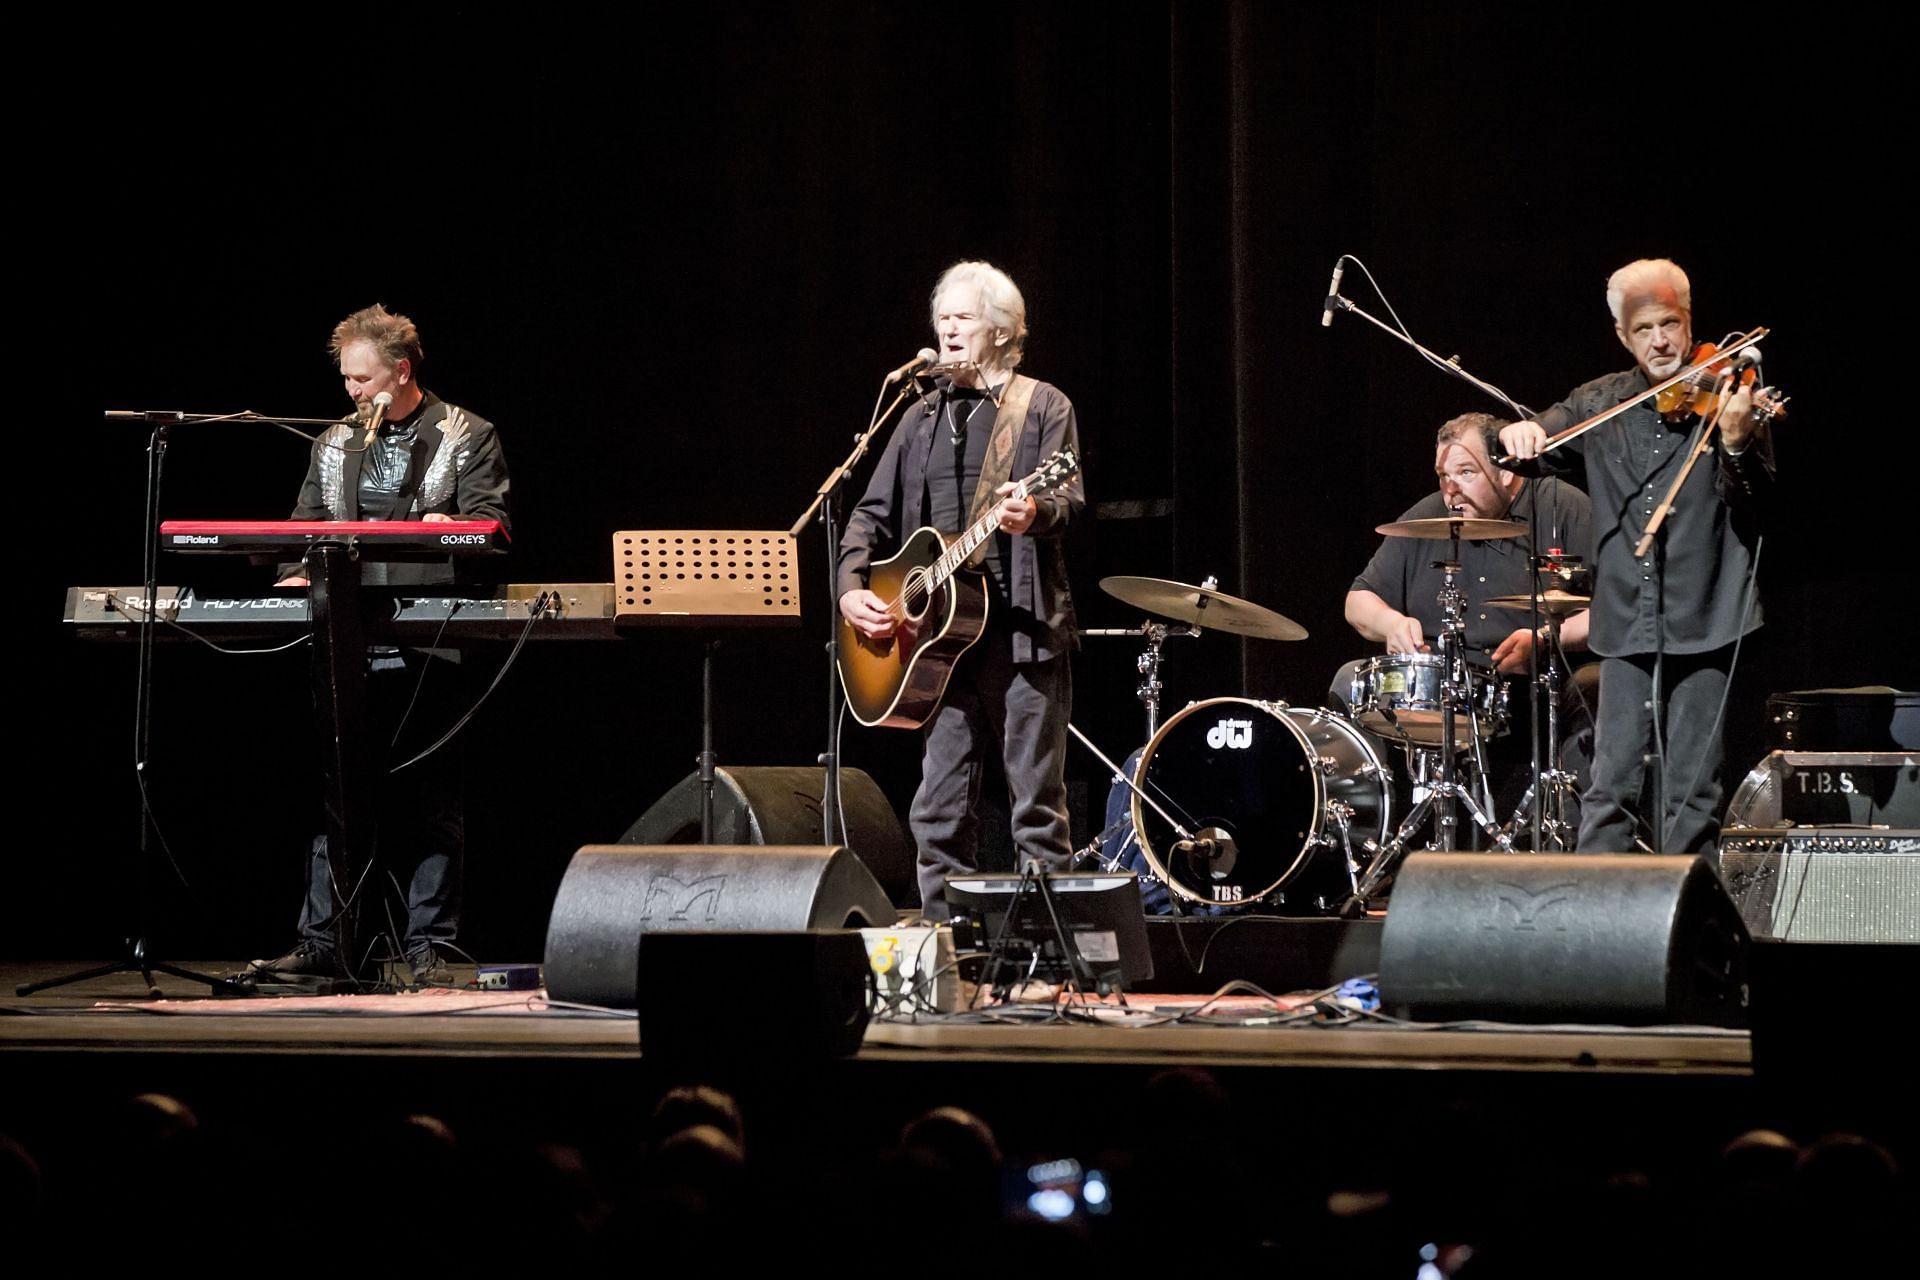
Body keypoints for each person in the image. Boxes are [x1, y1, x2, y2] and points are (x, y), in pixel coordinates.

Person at [246, 303, 511, 986]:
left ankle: (431, 950)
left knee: (431, 800)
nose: (352, 393)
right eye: (345, 381)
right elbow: (303, 528)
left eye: (362, 380)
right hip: (345, 637)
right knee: (334, 794)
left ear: (401, 372)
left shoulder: (468, 433)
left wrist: (455, 523)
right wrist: (293, 571)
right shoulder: (334, 441)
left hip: (431, 641)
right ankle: (327, 943)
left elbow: (490, 525)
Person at [1499, 258, 1774, 855]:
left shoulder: (1729, 394)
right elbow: (1533, 442)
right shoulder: (1600, 403)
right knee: (1610, 784)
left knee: (1692, 792)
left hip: (1707, 618)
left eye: (1670, 325)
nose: (1660, 341)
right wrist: (1514, 434)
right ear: (1623, 336)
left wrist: (1734, 442)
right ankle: (1597, 931)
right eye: (1644, 329)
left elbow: (1757, 502)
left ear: (1688, 320)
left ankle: (1679, 927)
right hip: (1625, 623)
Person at [838, 262, 1083, 921]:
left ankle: (1048, 956)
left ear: (1002, 332)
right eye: (941, 317)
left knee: (1035, 807)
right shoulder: (918, 416)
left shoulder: (1042, 407)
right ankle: (952, 950)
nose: (947, 327)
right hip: (936, 645)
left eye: (964, 317)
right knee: (938, 812)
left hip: (1023, 635)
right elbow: (868, 515)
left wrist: (1035, 513)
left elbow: (1067, 495)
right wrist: (849, 587)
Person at [1340, 411, 1594, 844]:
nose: (1450, 489)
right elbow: (1357, 601)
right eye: (1443, 474)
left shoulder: (1562, 507)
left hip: (1535, 678)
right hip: (1446, 680)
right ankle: (1378, 839)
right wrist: (1392, 623)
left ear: (1507, 470)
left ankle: (1570, 843)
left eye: (1465, 472)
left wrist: (1549, 641)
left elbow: (1618, 609)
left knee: (1598, 685)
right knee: (1351, 680)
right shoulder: (1430, 515)